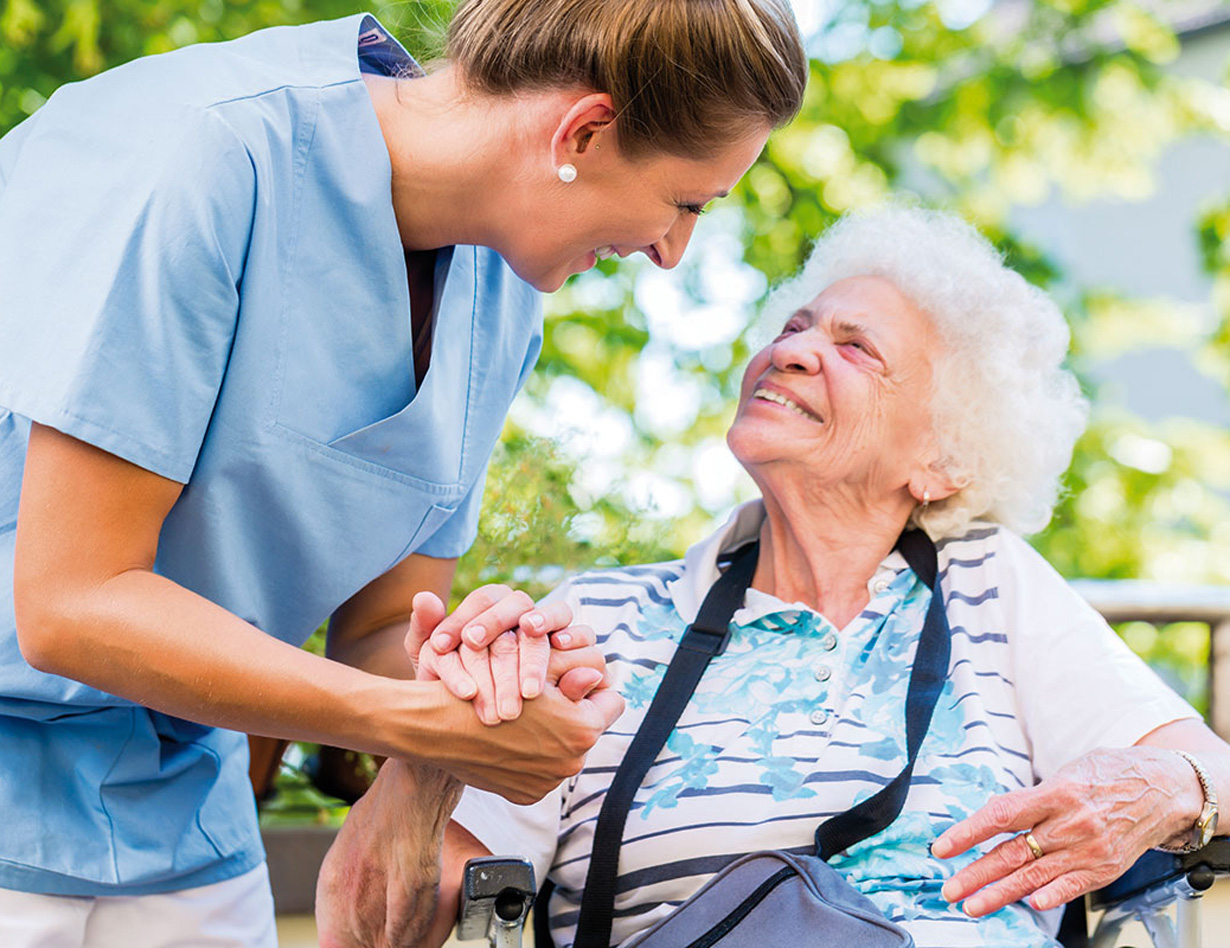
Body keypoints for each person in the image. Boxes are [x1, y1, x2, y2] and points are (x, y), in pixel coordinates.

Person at [0, 1, 808, 944]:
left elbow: (381, 630)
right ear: (582, 132)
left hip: (183, 820)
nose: (674, 255)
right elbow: (70, 604)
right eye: (685, 204)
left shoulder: (502, 291)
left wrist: (489, 680)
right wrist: (412, 723)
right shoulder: (204, 151)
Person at [318, 205, 1230, 948]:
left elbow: (1214, 778)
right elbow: (373, 936)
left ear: (943, 461)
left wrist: (1169, 790)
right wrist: (429, 751)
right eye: (794, 327)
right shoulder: (594, 623)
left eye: (854, 347)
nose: (794, 350)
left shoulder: (992, 587)